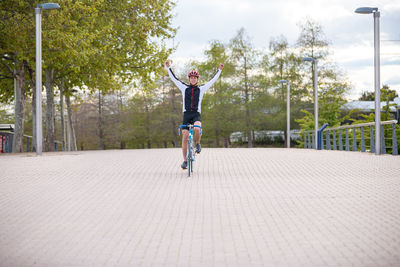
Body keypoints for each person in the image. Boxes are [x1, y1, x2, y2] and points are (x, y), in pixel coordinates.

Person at [165, 59, 224, 169]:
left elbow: (212, 81)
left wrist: (219, 70)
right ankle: (185, 161)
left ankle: (197, 144)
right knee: (185, 136)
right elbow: (174, 79)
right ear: (189, 79)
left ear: (197, 79)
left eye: (194, 78)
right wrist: (168, 68)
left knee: (197, 128)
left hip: (196, 114)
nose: (193, 79)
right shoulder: (184, 87)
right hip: (186, 115)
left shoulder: (201, 89)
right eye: (191, 78)